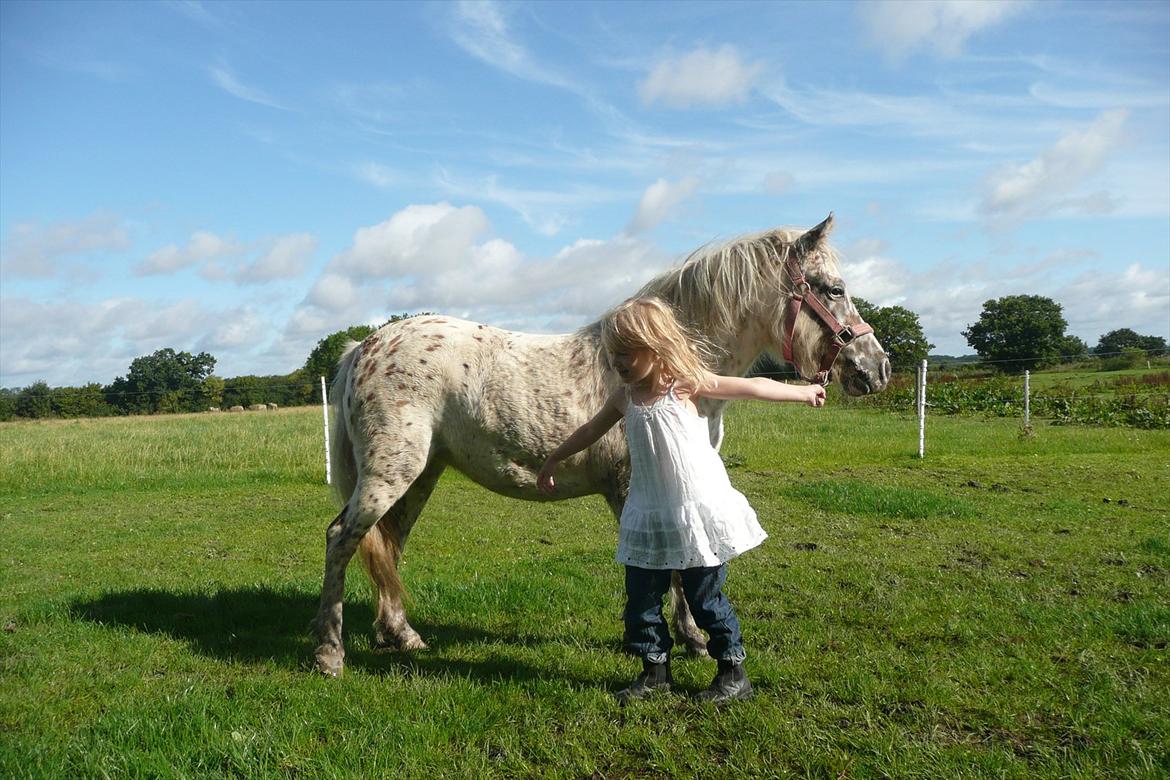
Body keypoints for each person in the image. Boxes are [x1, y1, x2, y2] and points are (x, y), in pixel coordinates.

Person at [537, 297, 826, 703]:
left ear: (655, 347)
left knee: (705, 600)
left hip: (695, 513)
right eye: (612, 354)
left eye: (626, 353)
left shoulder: (685, 383)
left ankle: (733, 672)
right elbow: (589, 431)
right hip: (649, 513)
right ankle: (655, 672)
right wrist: (553, 458)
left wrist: (803, 392)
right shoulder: (625, 397)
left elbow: (753, 387)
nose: (617, 362)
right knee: (641, 602)